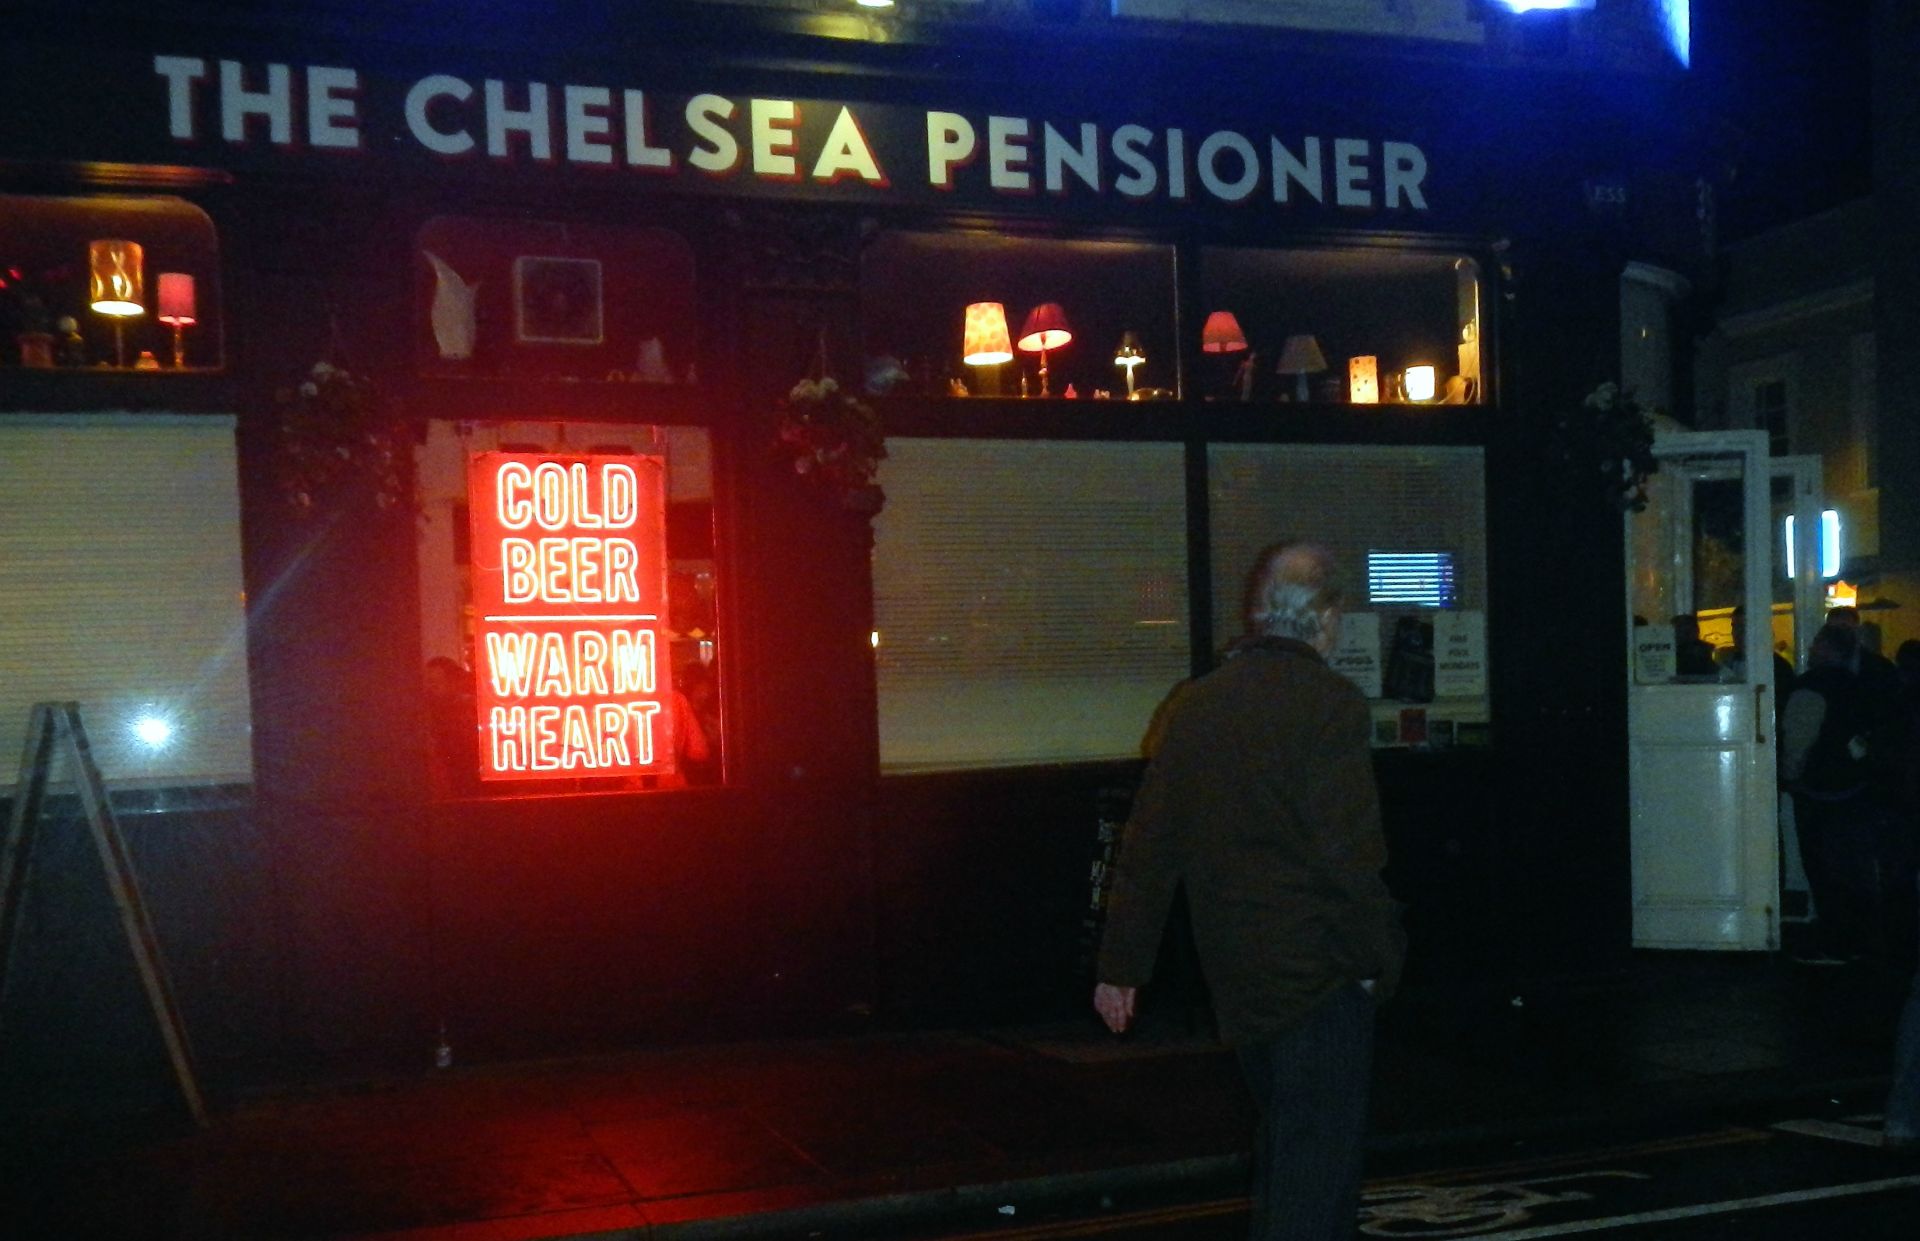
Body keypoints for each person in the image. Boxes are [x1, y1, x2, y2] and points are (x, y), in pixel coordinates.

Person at [1094, 541, 1404, 1241]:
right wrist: (1378, 957)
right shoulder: (1331, 705)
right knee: (1316, 1168)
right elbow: (1349, 856)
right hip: (1318, 974)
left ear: (1261, 612)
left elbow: (1150, 845)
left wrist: (1122, 968)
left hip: (1236, 974)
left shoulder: (1196, 706)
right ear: (1323, 617)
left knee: (1289, 1149)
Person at [1781, 623, 1878, 962]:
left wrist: (1790, 777)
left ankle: (1833, 940)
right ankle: (1858, 938)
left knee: (1821, 867)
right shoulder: (1858, 685)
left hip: (1818, 788)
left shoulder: (1811, 686)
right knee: (1851, 867)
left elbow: (1798, 739)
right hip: (1854, 787)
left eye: (1815, 643)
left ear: (1826, 648)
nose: (1809, 648)